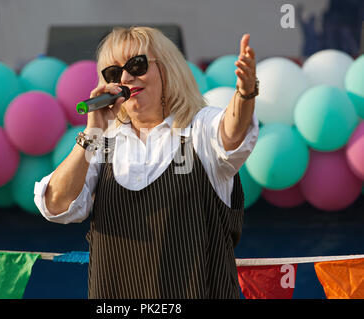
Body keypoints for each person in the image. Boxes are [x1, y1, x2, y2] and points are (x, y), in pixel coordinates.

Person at [34, 26, 259, 299]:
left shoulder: (198, 127)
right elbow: (56, 204)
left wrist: (245, 93)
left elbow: (232, 132)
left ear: (167, 69)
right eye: (114, 73)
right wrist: (91, 134)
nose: (127, 77)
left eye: (137, 66)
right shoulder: (103, 143)